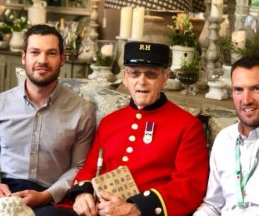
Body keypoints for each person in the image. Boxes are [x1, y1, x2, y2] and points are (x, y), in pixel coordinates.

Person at [60, 41, 209, 216]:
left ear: (164, 79)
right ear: (125, 78)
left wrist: (136, 208)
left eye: (151, 74)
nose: (142, 81)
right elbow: (90, 168)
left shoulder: (188, 126)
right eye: (134, 73)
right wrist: (82, 194)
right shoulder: (110, 122)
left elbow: (189, 186)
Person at [0, 24, 96, 215]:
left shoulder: (82, 110)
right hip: (5, 189)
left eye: (51, 53)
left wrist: (47, 195)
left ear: (62, 59)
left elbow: (80, 166)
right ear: (23, 57)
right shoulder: (1, 104)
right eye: (35, 52)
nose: (42, 60)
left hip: (50, 197)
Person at [193, 56, 259, 216]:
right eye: (238, 90)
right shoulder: (224, 139)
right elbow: (213, 205)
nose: (246, 100)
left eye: (255, 89)